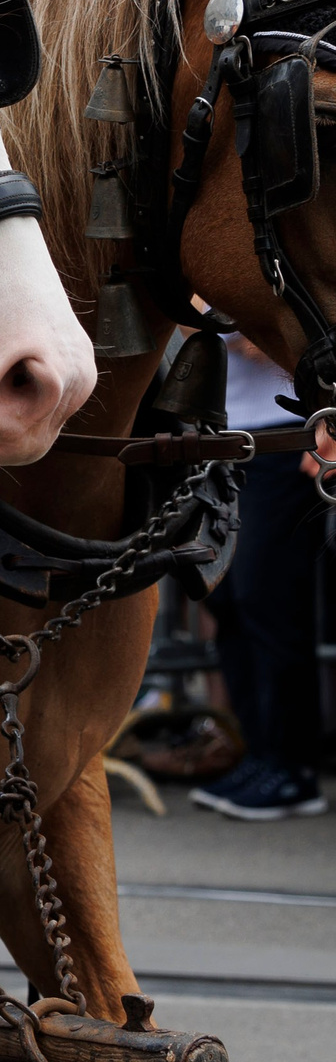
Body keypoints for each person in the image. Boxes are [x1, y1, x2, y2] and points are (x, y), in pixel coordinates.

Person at [196, 336, 329, 819]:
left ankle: (292, 767)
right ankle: (260, 753)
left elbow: (274, 337)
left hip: (282, 435)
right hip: (221, 436)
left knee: (268, 600)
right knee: (226, 597)